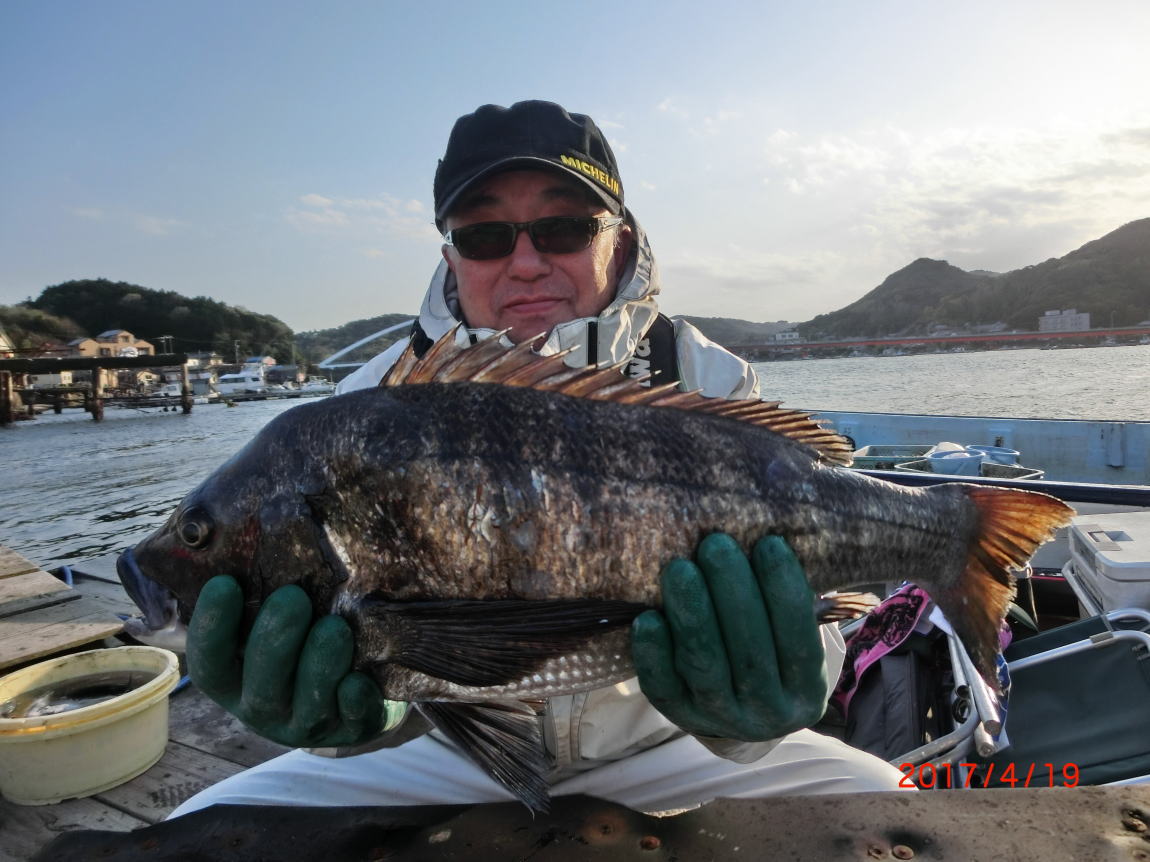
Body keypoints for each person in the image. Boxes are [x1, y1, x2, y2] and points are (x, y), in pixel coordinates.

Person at [169, 100, 905, 818]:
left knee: (884, 802)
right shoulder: (361, 409)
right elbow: (351, 644)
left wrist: (750, 714)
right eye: (485, 236)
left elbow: (806, 600)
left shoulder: (706, 382)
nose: (525, 263)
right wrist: (353, 723)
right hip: (435, 751)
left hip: (677, 742)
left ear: (618, 240)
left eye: (564, 228)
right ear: (452, 256)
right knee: (203, 826)